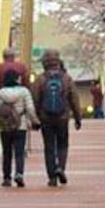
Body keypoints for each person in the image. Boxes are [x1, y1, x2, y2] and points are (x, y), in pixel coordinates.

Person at [31, 50, 82, 186]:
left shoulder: (40, 79)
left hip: (45, 118)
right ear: (59, 62)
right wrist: (78, 117)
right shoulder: (66, 78)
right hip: (63, 117)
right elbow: (74, 99)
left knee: (49, 147)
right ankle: (61, 167)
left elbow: (35, 99)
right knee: (62, 144)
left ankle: (52, 177)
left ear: (45, 63)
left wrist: (34, 119)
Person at [0, 68, 36, 187]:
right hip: (20, 125)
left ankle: (6, 178)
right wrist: (34, 120)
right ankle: (19, 174)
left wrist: (4, 113)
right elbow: (30, 109)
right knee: (19, 152)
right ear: (16, 79)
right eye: (19, 77)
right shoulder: (24, 91)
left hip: (4, 127)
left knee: (7, 152)